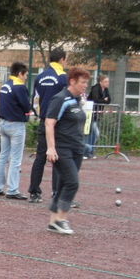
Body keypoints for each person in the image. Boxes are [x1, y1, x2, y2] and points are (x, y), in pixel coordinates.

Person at [45, 67, 90, 234]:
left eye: (86, 82)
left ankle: (53, 222)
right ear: (72, 81)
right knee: (72, 182)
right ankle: (61, 219)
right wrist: (51, 148)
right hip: (62, 149)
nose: (86, 85)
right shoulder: (60, 99)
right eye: (83, 82)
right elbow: (49, 123)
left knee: (64, 183)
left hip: (77, 148)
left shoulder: (77, 100)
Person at [28, 48, 68, 203]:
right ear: (62, 59)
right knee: (57, 157)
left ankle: (34, 192)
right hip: (58, 122)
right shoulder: (63, 77)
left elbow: (35, 100)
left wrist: (41, 116)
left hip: (43, 121)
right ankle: (56, 192)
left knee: (40, 157)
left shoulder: (40, 76)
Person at [0, 62, 33, 200]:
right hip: (16, 124)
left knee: (3, 157)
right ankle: (12, 189)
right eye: (26, 75)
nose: (26, 78)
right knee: (15, 158)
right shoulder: (20, 87)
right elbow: (26, 106)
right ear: (20, 73)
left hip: (3, 123)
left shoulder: (5, 85)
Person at [84, 74, 110, 158]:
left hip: (98, 114)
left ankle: (89, 151)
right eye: (105, 81)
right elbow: (96, 100)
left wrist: (104, 101)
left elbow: (109, 100)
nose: (107, 83)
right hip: (91, 113)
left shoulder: (106, 90)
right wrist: (104, 100)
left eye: (108, 81)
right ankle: (87, 151)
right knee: (95, 133)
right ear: (101, 82)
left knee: (93, 133)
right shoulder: (95, 88)